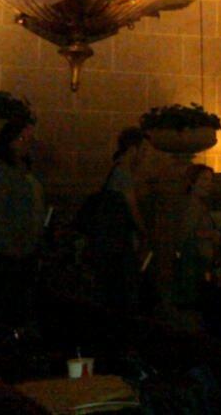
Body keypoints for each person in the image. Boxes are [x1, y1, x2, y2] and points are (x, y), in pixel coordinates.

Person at [0, 119, 45, 328]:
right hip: (5, 253)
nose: (26, 143)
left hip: (24, 250)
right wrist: (11, 246)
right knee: (4, 305)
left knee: (18, 306)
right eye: (22, 138)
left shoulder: (22, 170)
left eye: (29, 139)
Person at [82, 127, 150, 313]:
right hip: (116, 242)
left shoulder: (116, 169)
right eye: (142, 151)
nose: (144, 157)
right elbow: (132, 207)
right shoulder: (123, 173)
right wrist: (145, 231)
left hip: (109, 241)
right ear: (132, 149)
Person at [173, 164, 221, 307]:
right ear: (193, 181)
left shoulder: (198, 204)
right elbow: (186, 233)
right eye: (204, 179)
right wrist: (212, 234)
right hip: (195, 265)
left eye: (210, 180)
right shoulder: (192, 205)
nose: (208, 184)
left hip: (199, 263)